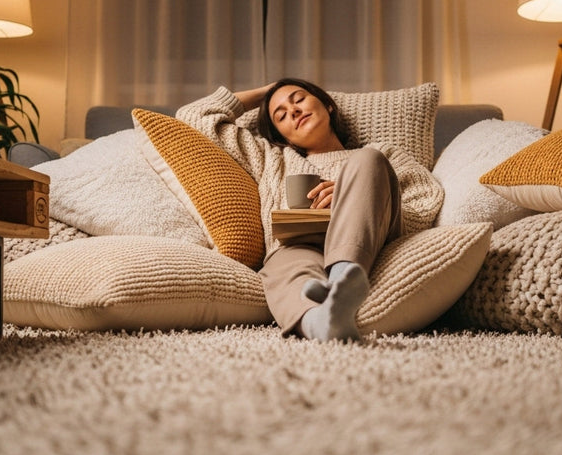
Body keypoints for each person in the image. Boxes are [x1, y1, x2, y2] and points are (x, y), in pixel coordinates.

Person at [176, 78, 443, 342]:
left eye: (299, 99)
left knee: (368, 161)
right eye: (281, 116)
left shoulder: (381, 153)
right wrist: (267, 91)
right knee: (285, 269)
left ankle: (340, 281)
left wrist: (355, 197)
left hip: (369, 241)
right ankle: (325, 323)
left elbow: (425, 201)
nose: (292, 111)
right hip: (298, 245)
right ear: (284, 137)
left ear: (327, 105)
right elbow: (193, 117)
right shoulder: (273, 158)